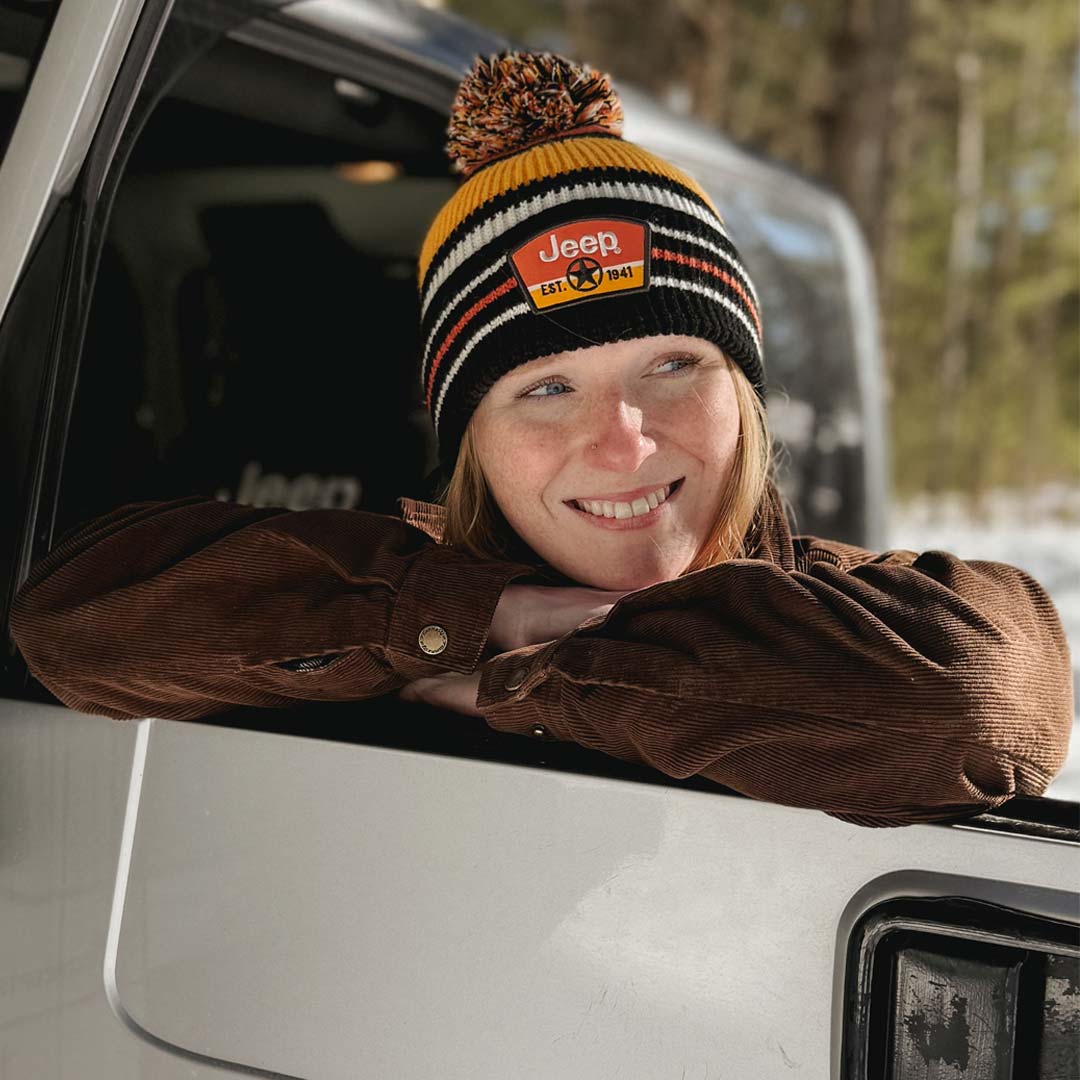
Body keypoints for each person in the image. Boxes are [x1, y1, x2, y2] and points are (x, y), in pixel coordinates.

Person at [10, 51, 1073, 828]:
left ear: (743, 394)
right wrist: (489, 613)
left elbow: (981, 703)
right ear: (470, 434)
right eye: (547, 386)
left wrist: (541, 676)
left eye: (672, 365)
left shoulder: (858, 614)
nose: (622, 439)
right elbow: (74, 627)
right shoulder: (371, 585)